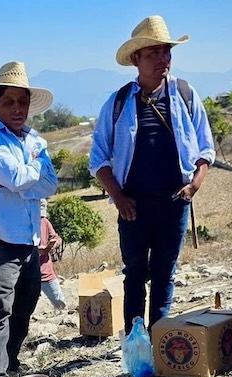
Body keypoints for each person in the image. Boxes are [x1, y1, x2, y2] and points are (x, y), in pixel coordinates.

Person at [89, 16, 215, 334]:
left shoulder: (186, 94)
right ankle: (136, 339)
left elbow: (205, 147)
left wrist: (195, 185)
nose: (162, 59)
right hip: (134, 207)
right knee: (134, 273)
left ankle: (159, 338)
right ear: (136, 60)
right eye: (153, 53)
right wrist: (118, 198)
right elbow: (98, 158)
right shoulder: (118, 103)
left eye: (166, 52)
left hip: (175, 203)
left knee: (164, 273)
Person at [0, 62, 58, 377]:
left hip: (28, 239)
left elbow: (50, 184)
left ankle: (11, 361)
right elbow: (22, 180)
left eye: (22, 102)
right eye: (10, 102)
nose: (17, 109)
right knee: (0, 308)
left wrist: (24, 178)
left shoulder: (33, 140)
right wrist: (29, 176)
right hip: (0, 241)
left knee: (26, 303)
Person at [39, 199, 66, 310]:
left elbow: (56, 237)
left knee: (60, 304)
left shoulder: (44, 222)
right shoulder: (21, 224)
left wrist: (54, 244)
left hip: (46, 272)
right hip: (27, 273)